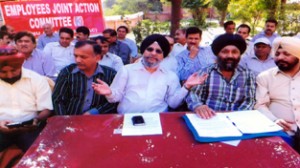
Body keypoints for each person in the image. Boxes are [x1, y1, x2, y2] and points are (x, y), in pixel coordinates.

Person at [92, 34, 207, 114]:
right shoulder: (126, 70)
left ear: (164, 56)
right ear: (143, 51)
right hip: (127, 119)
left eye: (158, 51)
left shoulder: (170, 76)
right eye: (150, 49)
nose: (153, 53)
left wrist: (187, 86)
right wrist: (109, 92)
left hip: (158, 120)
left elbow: (173, 104)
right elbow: (115, 98)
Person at [187, 34, 256, 119]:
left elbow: (249, 100)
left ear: (239, 55)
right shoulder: (206, 72)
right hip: (209, 118)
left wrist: (237, 117)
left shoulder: (248, 74)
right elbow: (193, 94)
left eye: (234, 52)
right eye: (225, 52)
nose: (230, 56)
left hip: (238, 119)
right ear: (217, 54)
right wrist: (198, 106)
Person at [0, 46, 53, 153]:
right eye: (3, 72)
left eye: (13, 71)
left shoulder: (36, 79)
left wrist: (36, 120)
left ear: (20, 65)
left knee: (42, 155)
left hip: (29, 129)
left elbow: (46, 109)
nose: (9, 76)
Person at [255, 37, 300, 153]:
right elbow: (259, 105)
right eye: (277, 53)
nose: (280, 57)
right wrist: (274, 120)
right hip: (277, 133)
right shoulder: (265, 77)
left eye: (286, 54)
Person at [52, 40, 117, 115]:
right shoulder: (67, 72)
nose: (78, 60)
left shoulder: (110, 74)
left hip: (100, 120)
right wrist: (65, 120)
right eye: (76, 56)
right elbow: (58, 100)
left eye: (83, 57)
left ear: (97, 58)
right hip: (71, 120)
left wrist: (94, 112)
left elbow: (115, 100)